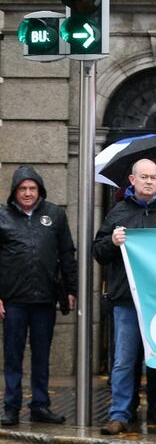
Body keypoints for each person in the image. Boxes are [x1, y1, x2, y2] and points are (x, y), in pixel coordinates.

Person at [93, 159, 156, 436]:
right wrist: (111, 242)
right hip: (127, 300)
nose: (149, 181)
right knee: (124, 360)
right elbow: (98, 251)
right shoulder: (117, 213)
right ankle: (119, 415)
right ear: (132, 180)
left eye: (154, 177)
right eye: (144, 177)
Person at [0, 166, 77, 426]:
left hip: (45, 299)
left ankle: (40, 406)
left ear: (40, 190)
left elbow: (67, 254)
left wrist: (71, 289)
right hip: (13, 300)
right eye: (23, 188)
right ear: (14, 191)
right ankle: (11, 407)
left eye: (32, 188)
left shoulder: (55, 215)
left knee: (42, 356)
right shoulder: (2, 216)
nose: (28, 193)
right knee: (13, 356)